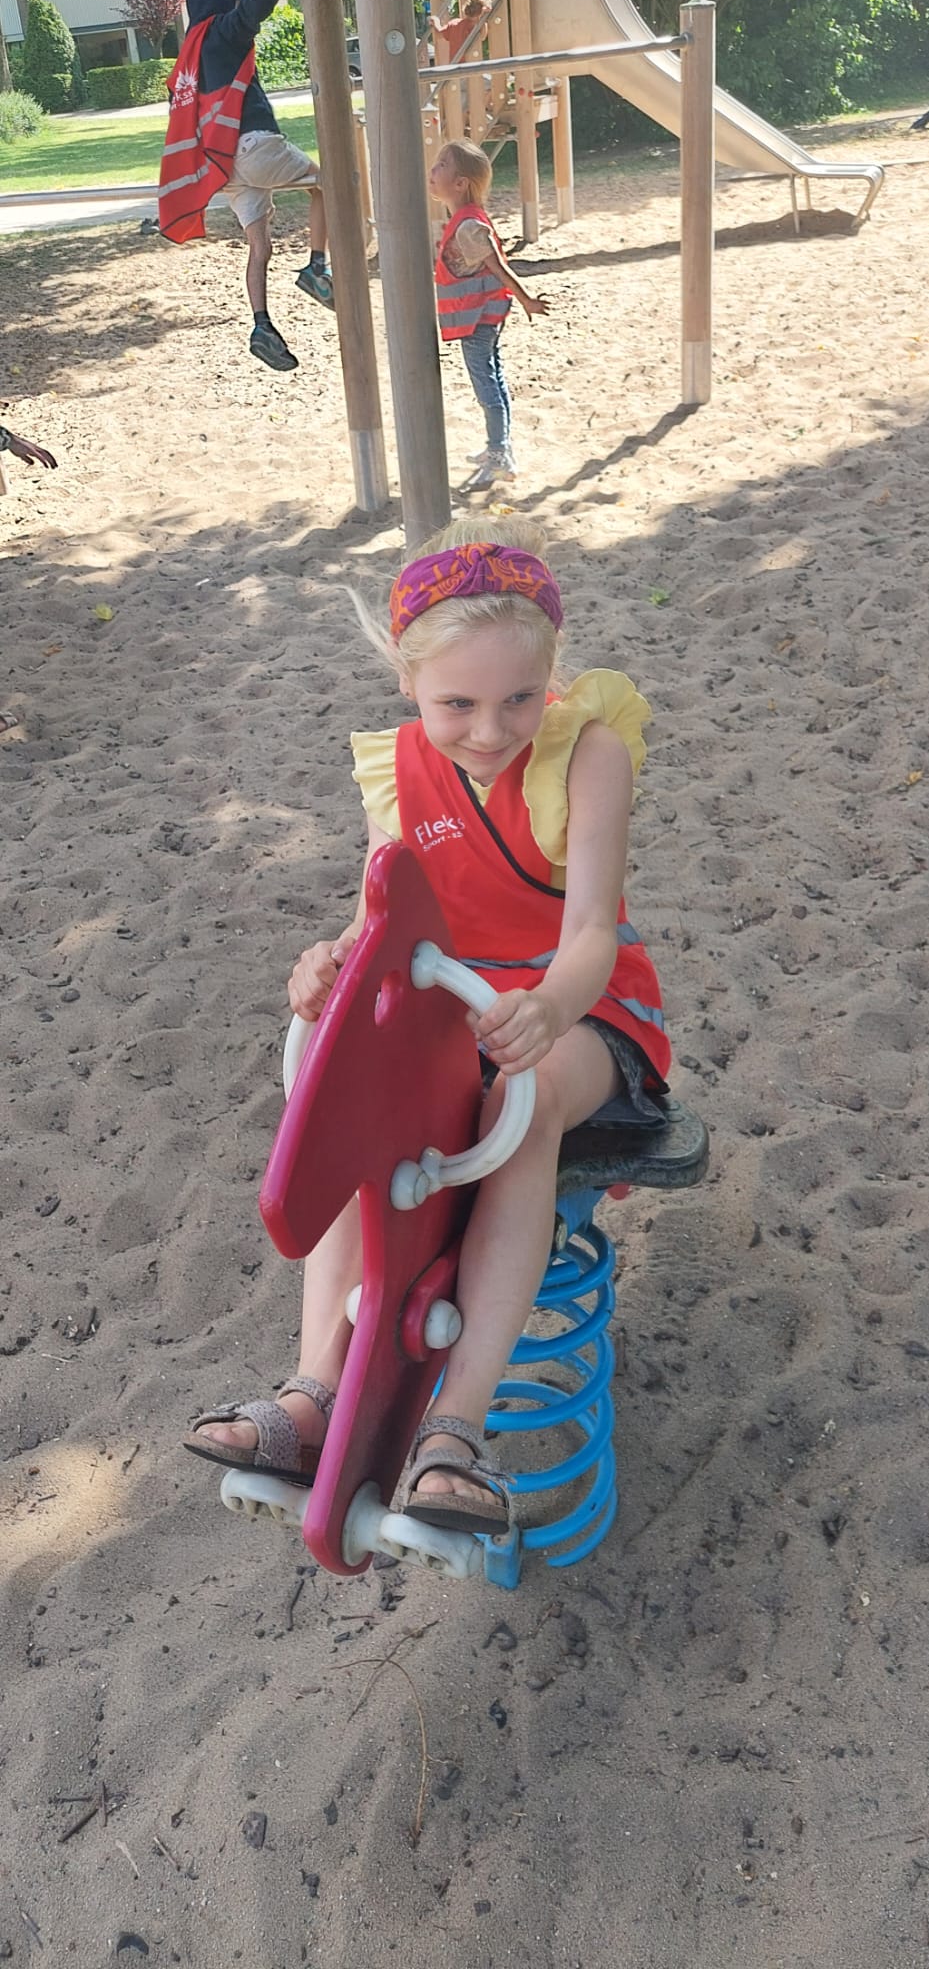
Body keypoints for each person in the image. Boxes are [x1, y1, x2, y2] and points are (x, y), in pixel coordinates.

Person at [184, 520, 672, 1536]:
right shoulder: (396, 772)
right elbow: (381, 926)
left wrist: (547, 1007)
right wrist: (327, 964)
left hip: (578, 1011)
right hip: (456, 1008)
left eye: (518, 699)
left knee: (520, 1108)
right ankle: (314, 1389)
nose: (490, 730)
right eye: (457, 704)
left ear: (550, 678)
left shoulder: (586, 752)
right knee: (352, 1106)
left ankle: (454, 1428)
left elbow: (590, 928)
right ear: (408, 683)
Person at [159, 0, 334, 374]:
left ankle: (262, 325)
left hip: (221, 167)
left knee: (259, 246)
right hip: (252, 145)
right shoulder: (222, 31)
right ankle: (317, 267)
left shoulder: (187, 56)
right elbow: (261, 2)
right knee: (327, 185)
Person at [429, 140, 548, 489]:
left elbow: (498, 266)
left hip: (478, 320)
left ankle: (499, 456)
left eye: (442, 165)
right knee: (494, 380)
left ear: (460, 183)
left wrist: (526, 300)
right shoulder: (464, 220)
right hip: (481, 317)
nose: (432, 170)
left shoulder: (468, 226)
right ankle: (499, 448)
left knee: (487, 389)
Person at [431, 0, 492, 64]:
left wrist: (436, 21)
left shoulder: (454, 24)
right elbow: (482, 36)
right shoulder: (475, 28)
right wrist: (483, 18)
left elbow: (439, 33)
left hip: (455, 65)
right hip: (471, 65)